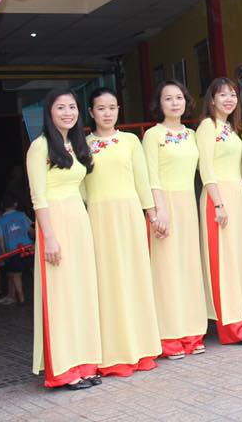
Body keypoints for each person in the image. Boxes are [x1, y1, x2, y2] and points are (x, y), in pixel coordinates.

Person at [26, 89, 102, 390]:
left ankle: (85, 363)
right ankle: (64, 369)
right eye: (60, 108)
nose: (68, 113)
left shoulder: (77, 145)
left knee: (82, 293)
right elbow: (38, 197)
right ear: (49, 112)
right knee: (61, 296)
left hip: (79, 222)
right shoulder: (40, 147)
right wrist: (49, 238)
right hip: (54, 223)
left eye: (72, 107)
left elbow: (83, 189)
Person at [84, 88, 162, 377]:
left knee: (134, 279)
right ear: (91, 112)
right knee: (107, 282)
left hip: (129, 215)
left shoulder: (130, 141)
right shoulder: (82, 144)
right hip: (98, 217)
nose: (107, 113)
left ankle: (142, 349)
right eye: (101, 108)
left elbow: (142, 180)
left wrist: (152, 213)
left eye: (112, 107)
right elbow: (80, 186)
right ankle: (114, 354)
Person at [142, 81, 208, 358]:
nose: (174, 103)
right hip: (164, 205)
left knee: (189, 268)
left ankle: (193, 333)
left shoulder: (191, 135)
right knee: (166, 272)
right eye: (168, 98)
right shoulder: (153, 135)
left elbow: (206, 168)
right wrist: (159, 211)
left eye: (179, 97)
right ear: (159, 104)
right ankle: (169, 337)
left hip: (187, 205)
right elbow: (151, 175)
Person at [196, 77, 242, 345]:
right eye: (222, 95)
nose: (229, 99)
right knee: (224, 262)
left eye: (233, 94)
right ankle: (231, 328)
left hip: (237, 195)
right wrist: (218, 203)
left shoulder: (232, 129)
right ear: (212, 100)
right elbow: (206, 167)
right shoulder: (207, 126)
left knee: (239, 259)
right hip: (217, 197)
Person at [0, 190, 33, 306]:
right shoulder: (22, 215)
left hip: (12, 252)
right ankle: (41, 293)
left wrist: (3, 255)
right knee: (33, 270)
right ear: (15, 203)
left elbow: (1, 240)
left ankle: (21, 299)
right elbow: (30, 230)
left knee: (16, 275)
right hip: (28, 248)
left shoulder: (0, 221)